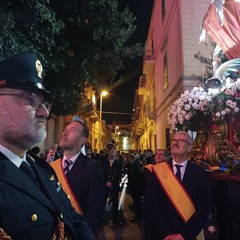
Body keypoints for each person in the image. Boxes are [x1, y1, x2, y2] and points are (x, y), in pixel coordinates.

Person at [0, 53, 94, 240]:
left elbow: (73, 221)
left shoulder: (41, 169)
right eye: (31, 98)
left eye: (44, 102)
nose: (45, 112)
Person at [143, 131, 210, 240]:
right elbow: (152, 205)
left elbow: (203, 210)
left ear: (189, 148)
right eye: (174, 140)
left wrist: (183, 235)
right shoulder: (158, 171)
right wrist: (168, 233)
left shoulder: (200, 174)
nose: (175, 142)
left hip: (189, 235)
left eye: (181, 140)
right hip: (163, 234)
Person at [50, 116, 105, 236]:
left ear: (82, 140)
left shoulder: (93, 168)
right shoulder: (51, 167)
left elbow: (95, 211)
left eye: (72, 131)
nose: (65, 132)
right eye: (65, 129)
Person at [102, 143, 123, 225]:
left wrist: (112, 183)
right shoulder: (104, 162)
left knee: (115, 201)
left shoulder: (118, 163)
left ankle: (115, 219)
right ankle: (102, 218)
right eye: (110, 152)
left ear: (116, 153)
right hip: (105, 185)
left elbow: (118, 174)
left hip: (114, 185)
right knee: (103, 201)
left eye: (113, 152)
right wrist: (106, 182)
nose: (112, 153)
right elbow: (103, 173)